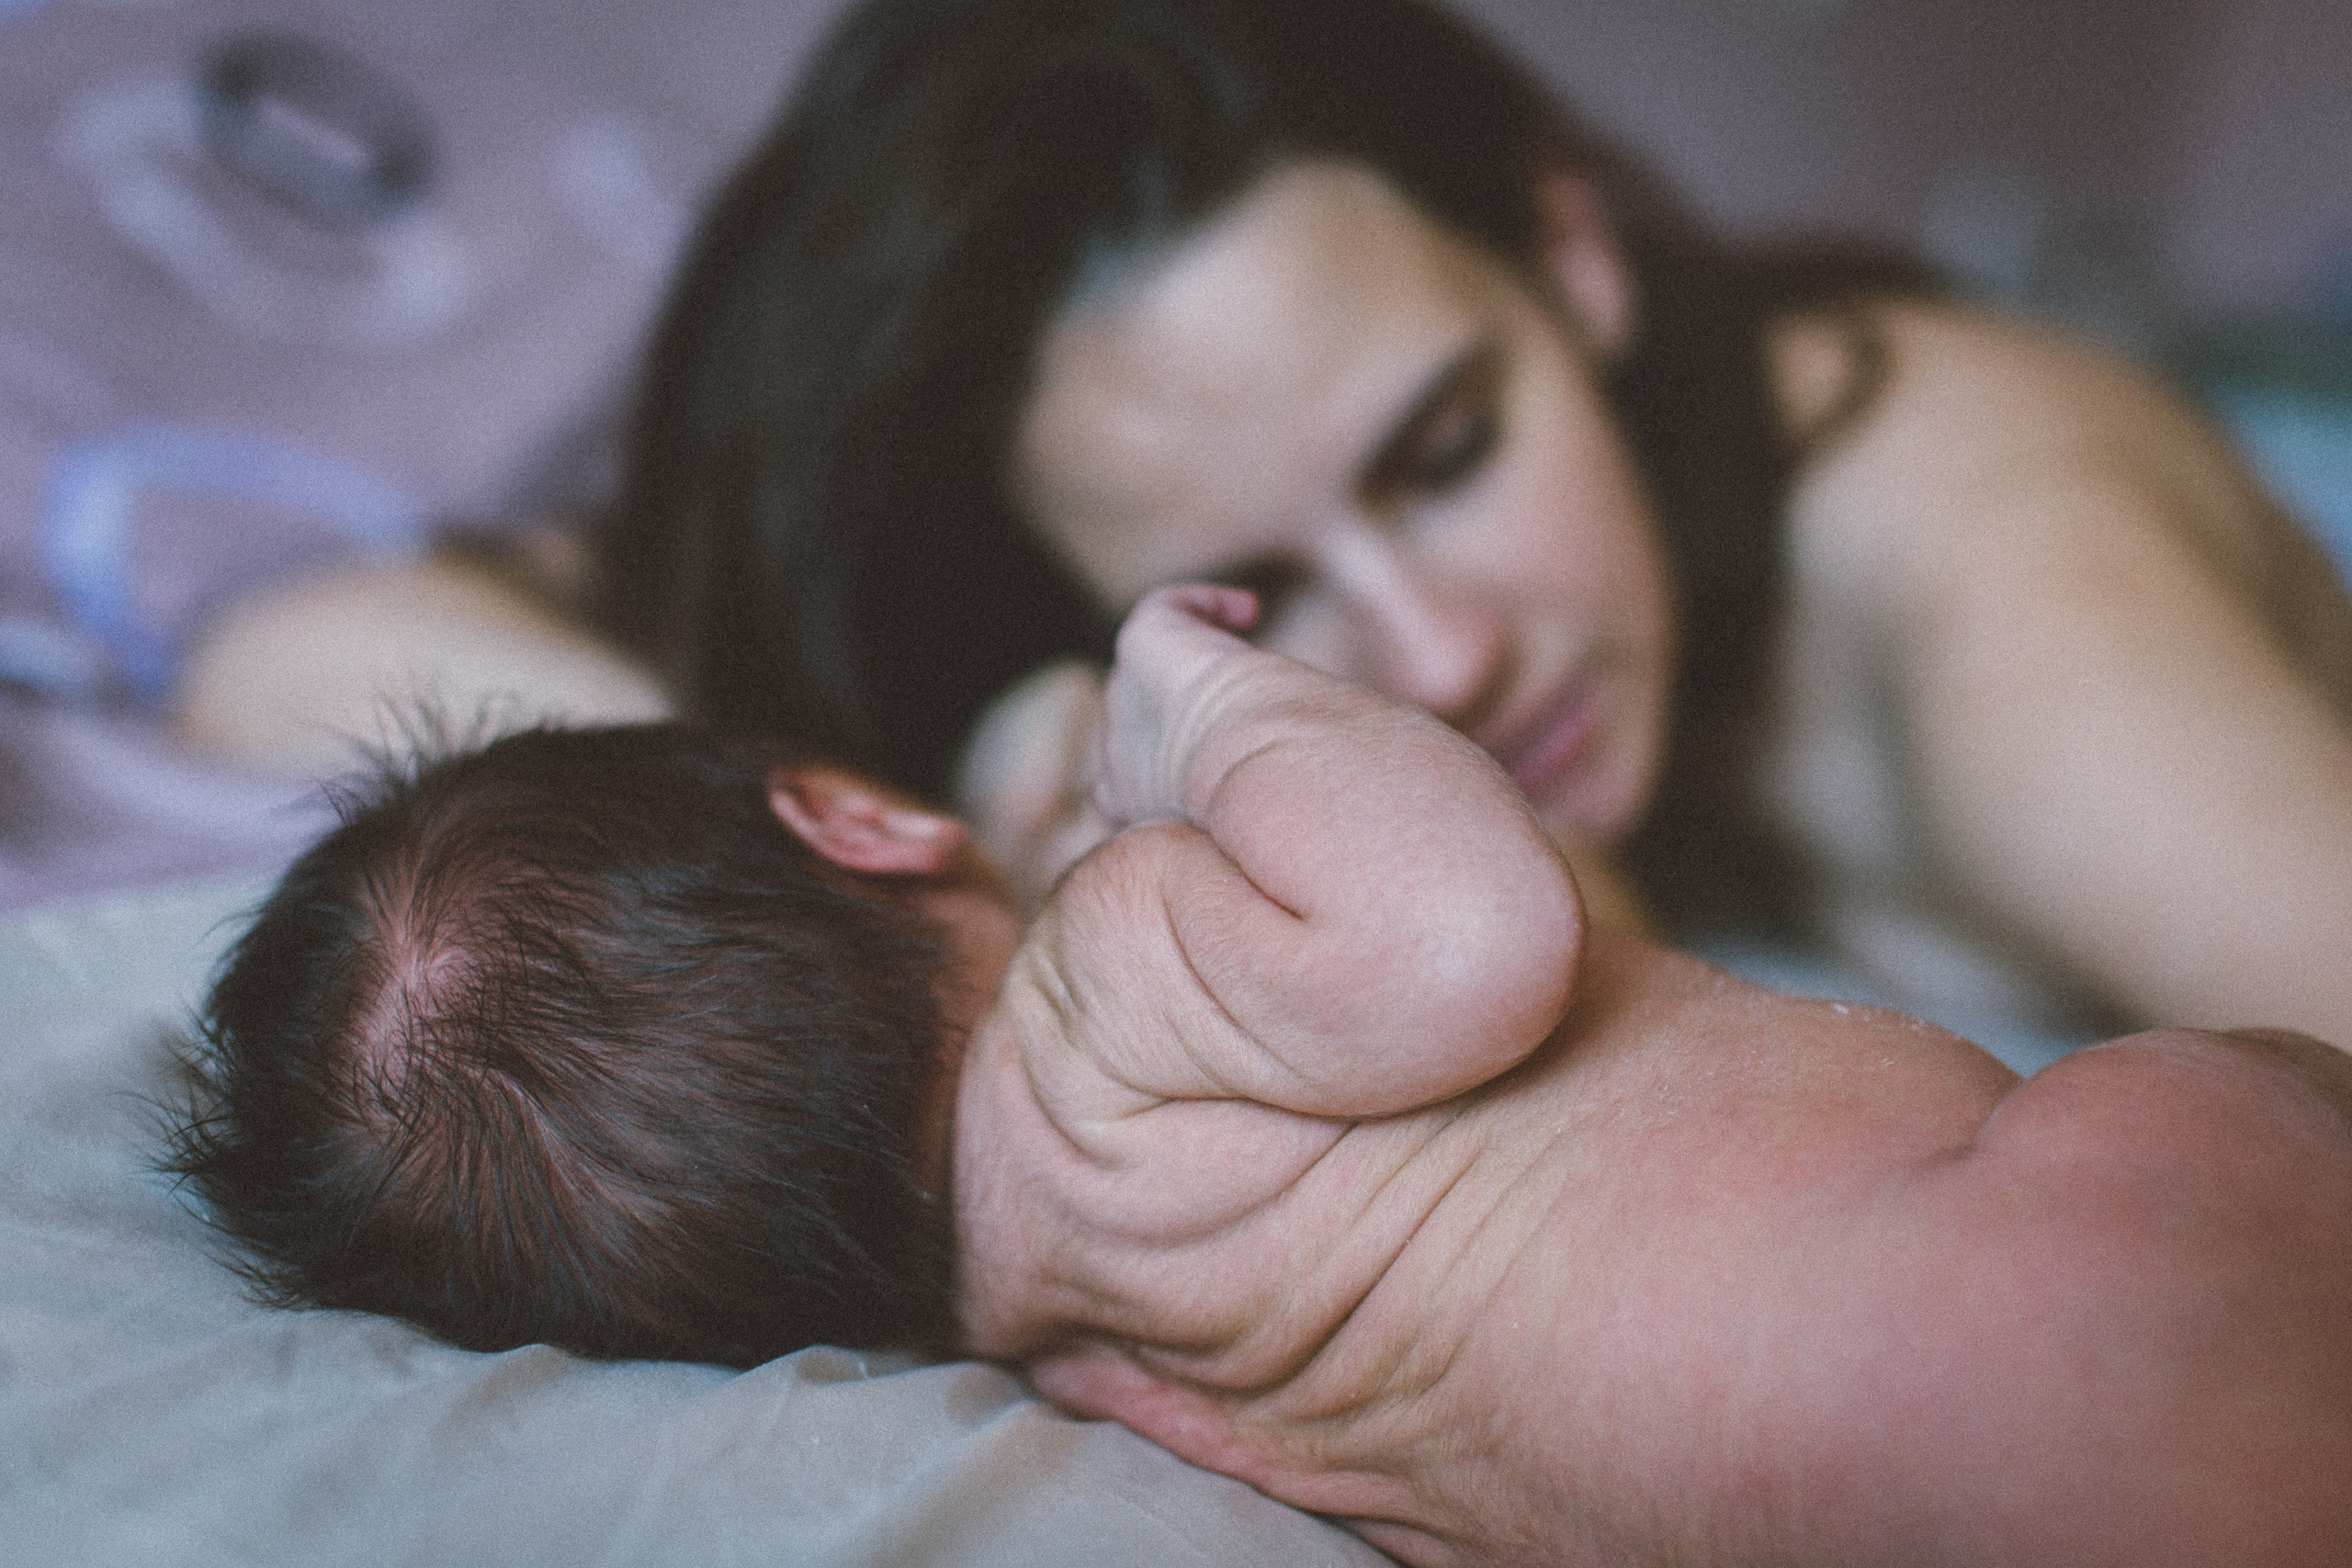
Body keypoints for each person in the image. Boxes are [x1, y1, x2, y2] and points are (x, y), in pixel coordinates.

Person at [177, 0, 2352, 1047]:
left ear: (1569, 257)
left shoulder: (2004, 617)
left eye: (1442, 448)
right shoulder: (1104, 665)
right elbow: (286, 651)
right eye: (1255, 587)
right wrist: (879, 786)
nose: (1436, 659)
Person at [176, 584, 2352, 1565]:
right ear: (854, 815)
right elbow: (1466, 930)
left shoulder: (1067, 1344)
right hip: (2062, 1317)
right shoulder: (1116, 963)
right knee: (2237, 1090)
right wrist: (1194, 702)